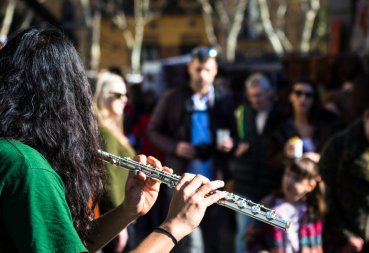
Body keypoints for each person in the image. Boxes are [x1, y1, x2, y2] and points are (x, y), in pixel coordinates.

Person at [0, 27, 226, 253]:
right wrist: (174, 226)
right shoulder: (26, 167)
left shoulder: (11, 153)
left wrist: (127, 210)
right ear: (65, 96)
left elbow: (73, 244)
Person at [148, 46, 237, 253]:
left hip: (214, 180)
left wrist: (231, 143)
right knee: (189, 244)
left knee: (214, 238)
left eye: (207, 70)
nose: (202, 75)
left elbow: (235, 133)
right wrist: (175, 146)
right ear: (190, 69)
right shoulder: (172, 97)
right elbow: (153, 130)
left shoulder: (224, 99)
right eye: (198, 70)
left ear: (215, 70)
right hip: (183, 180)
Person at [319, 95, 369, 253]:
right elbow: (325, 198)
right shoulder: (339, 147)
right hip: (346, 243)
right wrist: (344, 235)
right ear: (366, 116)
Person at [231, 73, 284, 253]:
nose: (256, 100)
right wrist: (234, 147)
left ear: (269, 92)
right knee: (245, 234)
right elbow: (230, 140)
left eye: (259, 95)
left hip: (271, 184)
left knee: (271, 235)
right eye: (252, 95)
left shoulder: (281, 115)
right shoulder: (241, 114)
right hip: (246, 184)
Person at [93, 71, 136, 252]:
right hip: (117, 216)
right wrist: (121, 224)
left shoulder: (113, 129)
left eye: (126, 94)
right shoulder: (105, 132)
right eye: (118, 95)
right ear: (103, 97)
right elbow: (108, 179)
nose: (124, 99)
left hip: (122, 214)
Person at [246, 157, 326, 253]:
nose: (289, 181)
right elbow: (252, 237)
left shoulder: (314, 209)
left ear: (310, 186)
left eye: (297, 179)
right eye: (287, 174)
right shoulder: (268, 205)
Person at [281, 79, 341, 163]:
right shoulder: (281, 126)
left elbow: (336, 154)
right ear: (291, 96)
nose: (303, 98)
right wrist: (284, 154)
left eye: (308, 95)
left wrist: (319, 158)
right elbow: (270, 163)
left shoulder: (326, 125)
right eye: (298, 93)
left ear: (314, 100)